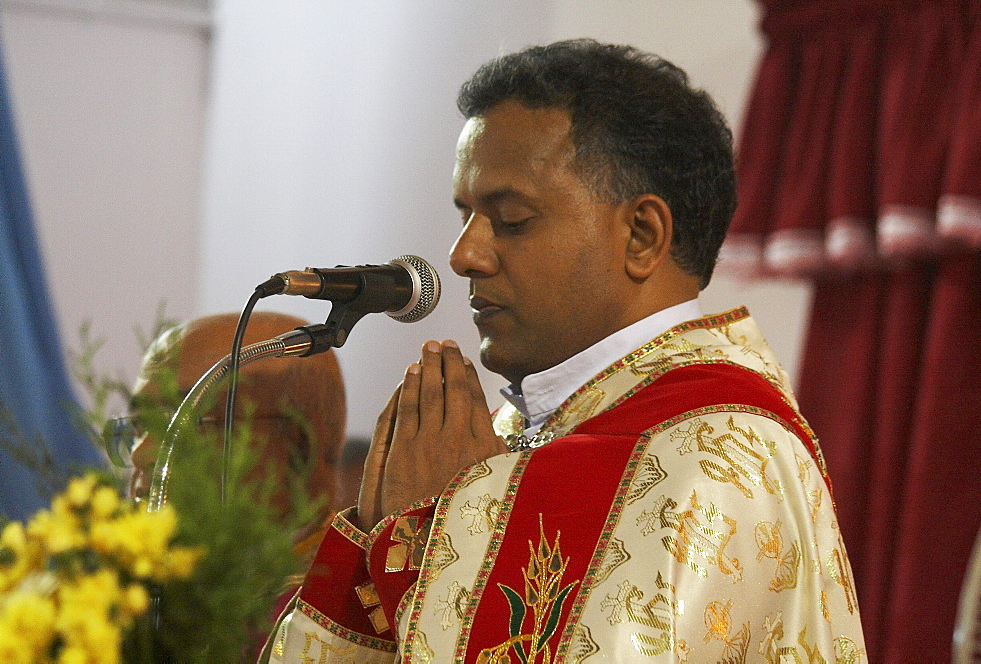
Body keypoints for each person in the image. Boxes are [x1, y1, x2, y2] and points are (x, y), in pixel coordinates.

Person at [265, 40, 866, 661]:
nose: (463, 255)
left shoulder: (716, 458)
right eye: (465, 215)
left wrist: (438, 530)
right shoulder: (507, 430)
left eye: (513, 220)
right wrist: (387, 536)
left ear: (642, 236)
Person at [123, 311, 348, 558]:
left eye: (188, 424)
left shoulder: (348, 591)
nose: (141, 454)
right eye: (140, 426)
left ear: (299, 449)